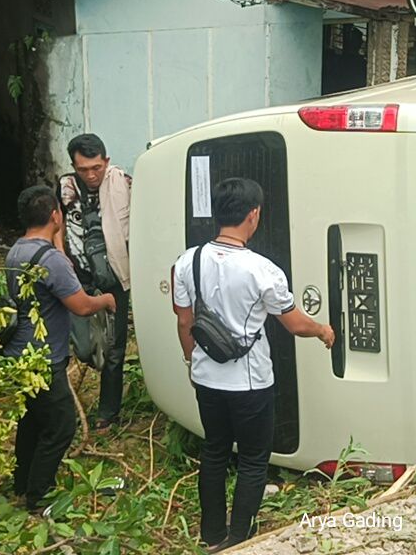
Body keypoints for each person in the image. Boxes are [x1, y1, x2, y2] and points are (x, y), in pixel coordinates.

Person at [172, 178, 335, 552]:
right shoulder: (262, 270)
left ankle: (211, 534)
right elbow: (294, 324)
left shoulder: (187, 261)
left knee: (214, 451)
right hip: (250, 383)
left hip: (207, 378)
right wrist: (323, 330)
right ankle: (240, 539)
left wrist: (191, 361)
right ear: (254, 214)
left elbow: (184, 321)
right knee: (252, 460)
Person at [5, 185, 117, 511]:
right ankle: (40, 497)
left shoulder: (16, 251)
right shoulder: (50, 260)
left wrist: (57, 240)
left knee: (32, 421)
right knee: (60, 426)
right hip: (43, 358)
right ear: (56, 215)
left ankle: (22, 481)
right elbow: (81, 306)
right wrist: (106, 301)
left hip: (19, 354)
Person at [58, 134, 132, 432]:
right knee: (81, 345)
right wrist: (61, 260)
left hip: (114, 275)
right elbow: (57, 225)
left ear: (107, 162)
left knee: (115, 349)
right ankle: (65, 408)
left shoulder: (123, 184)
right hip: (77, 276)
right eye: (83, 169)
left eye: (96, 168)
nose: (91, 175)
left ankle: (108, 413)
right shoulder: (64, 188)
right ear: (74, 166)